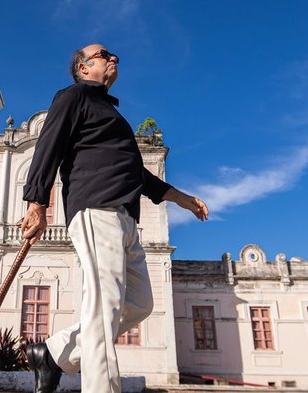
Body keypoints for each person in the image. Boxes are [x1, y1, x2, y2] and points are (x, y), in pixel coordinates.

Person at [20, 43, 209, 393]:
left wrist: (181, 198)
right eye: (104, 55)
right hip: (95, 208)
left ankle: (53, 353)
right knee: (103, 309)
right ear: (83, 67)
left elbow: (137, 172)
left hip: (126, 217)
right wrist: (36, 204)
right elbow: (49, 145)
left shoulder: (110, 114)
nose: (114, 58)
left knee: (139, 304)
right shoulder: (73, 96)